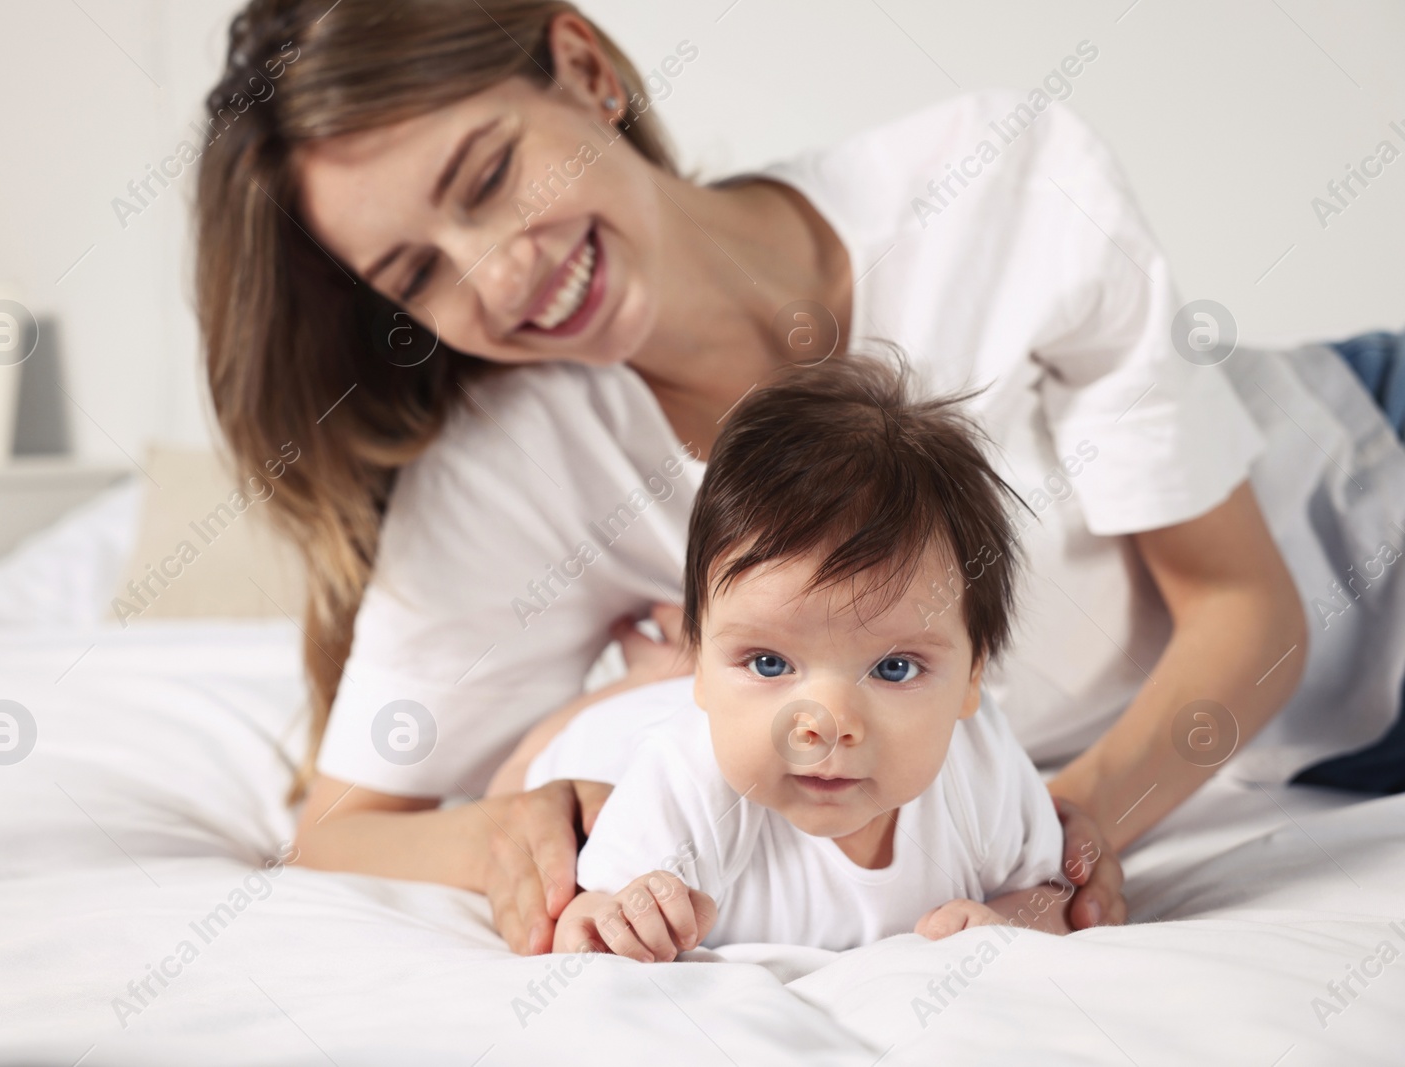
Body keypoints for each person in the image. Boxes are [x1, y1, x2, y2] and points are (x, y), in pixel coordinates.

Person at [195, 0, 1405, 957]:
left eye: (486, 177)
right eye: (418, 274)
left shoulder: (994, 179)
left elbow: (1246, 610)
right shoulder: (512, 470)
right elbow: (340, 829)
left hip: (1369, 483)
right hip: (1312, 750)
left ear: (583, 70)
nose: (497, 276)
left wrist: (1057, 848)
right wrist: (506, 830)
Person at [543, 358, 1074, 959]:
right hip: (591, 743)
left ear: (972, 678)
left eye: (893, 668)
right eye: (769, 663)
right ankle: (643, 680)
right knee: (525, 769)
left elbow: (1049, 898)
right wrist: (615, 921)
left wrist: (1004, 922)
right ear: (702, 666)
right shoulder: (685, 779)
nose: (825, 723)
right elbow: (589, 919)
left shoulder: (983, 768)